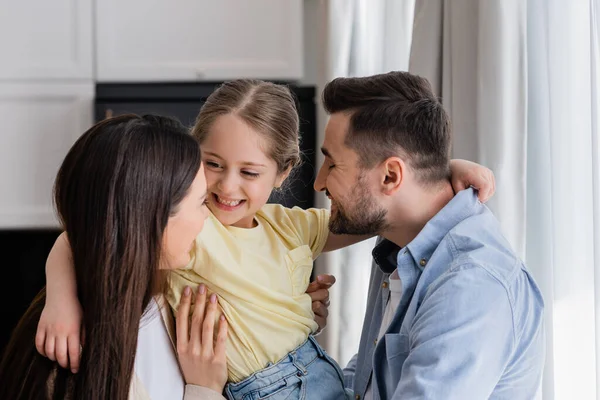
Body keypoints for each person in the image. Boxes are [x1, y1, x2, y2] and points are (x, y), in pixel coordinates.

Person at [38, 80, 496, 399]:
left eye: (250, 172)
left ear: (282, 173)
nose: (226, 187)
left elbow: (373, 203)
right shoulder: (190, 228)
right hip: (259, 388)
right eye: (212, 163)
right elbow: (88, 234)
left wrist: (439, 170)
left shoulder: (288, 226)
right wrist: (61, 302)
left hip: (320, 373)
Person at [314, 71, 545, 399]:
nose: (319, 183)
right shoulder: (399, 238)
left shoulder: (470, 285)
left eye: (332, 165)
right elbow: (363, 386)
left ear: (391, 175)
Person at [0, 114, 228, 399]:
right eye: (200, 203)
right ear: (149, 221)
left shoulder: (171, 284)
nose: (208, 217)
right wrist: (204, 390)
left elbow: (89, 231)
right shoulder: (63, 359)